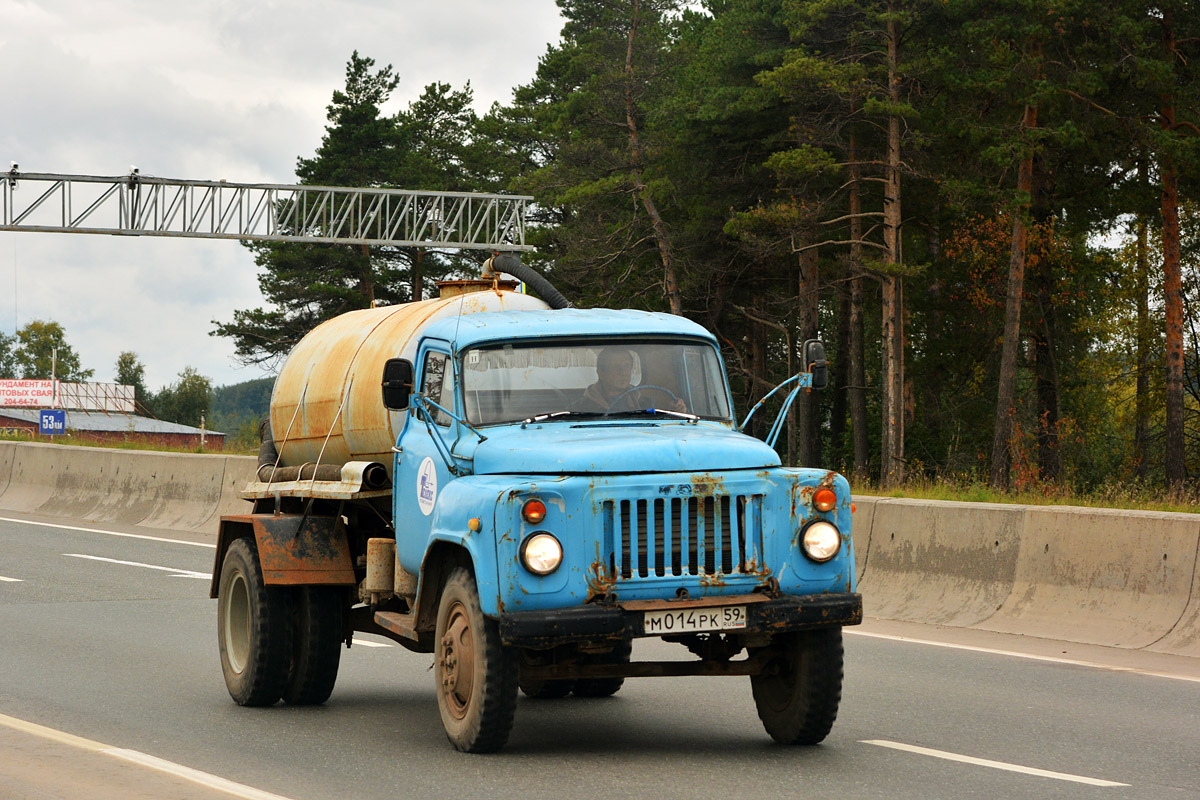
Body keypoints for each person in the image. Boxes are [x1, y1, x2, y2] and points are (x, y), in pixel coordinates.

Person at [576, 347, 687, 412]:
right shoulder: (580, 409)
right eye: (615, 367)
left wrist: (676, 410)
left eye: (627, 366)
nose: (623, 372)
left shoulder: (645, 404)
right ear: (601, 372)